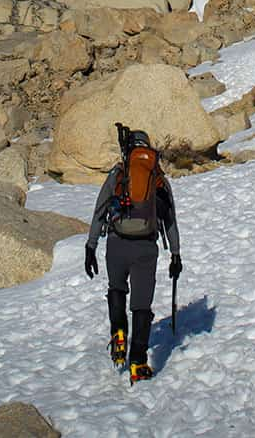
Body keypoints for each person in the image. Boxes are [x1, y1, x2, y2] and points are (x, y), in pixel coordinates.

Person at [84, 122, 182, 383]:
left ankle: (118, 332)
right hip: (145, 248)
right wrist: (175, 254)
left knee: (117, 288)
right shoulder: (156, 178)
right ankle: (138, 361)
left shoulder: (118, 174)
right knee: (141, 305)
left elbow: (100, 210)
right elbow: (169, 218)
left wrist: (91, 246)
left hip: (116, 244)